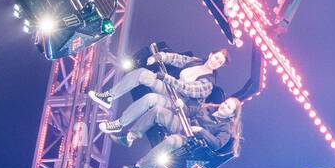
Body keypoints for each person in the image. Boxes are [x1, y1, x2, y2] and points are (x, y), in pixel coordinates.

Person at [122, 97, 243, 168]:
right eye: (225, 103)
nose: (224, 106)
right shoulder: (208, 108)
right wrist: (181, 105)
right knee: (157, 111)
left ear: (232, 114)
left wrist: (201, 130)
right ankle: (130, 137)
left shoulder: (225, 127)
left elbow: (217, 144)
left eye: (228, 107)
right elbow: (189, 111)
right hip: (183, 125)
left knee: (171, 142)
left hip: (190, 139)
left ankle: (140, 165)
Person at [90, 45, 230, 112]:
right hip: (170, 89)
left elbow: (187, 89)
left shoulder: (209, 82)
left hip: (179, 101)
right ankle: (109, 97)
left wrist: (167, 78)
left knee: (150, 98)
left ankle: (122, 125)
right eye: (216, 58)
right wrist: (159, 56)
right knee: (141, 73)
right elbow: (177, 58)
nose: (216, 62)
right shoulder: (196, 61)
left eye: (220, 63)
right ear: (211, 54)